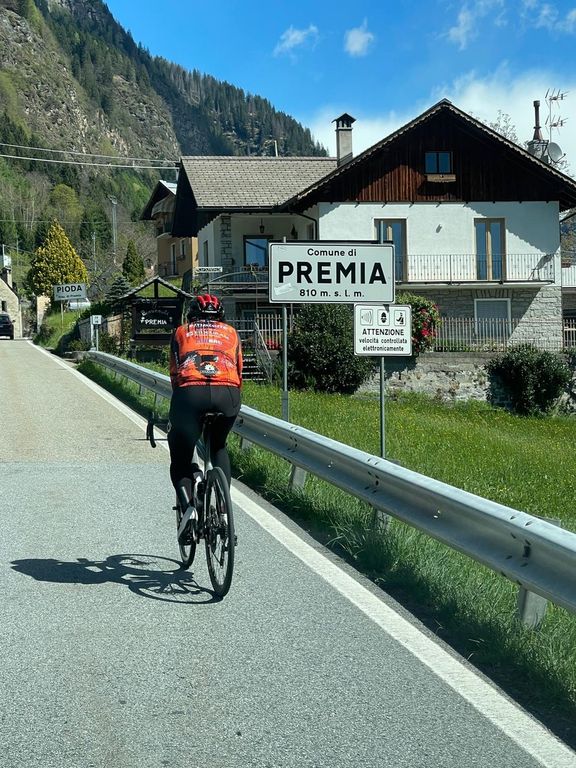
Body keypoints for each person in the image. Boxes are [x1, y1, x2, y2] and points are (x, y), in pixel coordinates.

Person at [168, 294, 242, 521]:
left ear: (192, 315)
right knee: (218, 446)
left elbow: (174, 371)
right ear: (220, 316)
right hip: (227, 394)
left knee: (181, 455)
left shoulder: (181, 332)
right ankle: (223, 509)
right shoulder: (232, 333)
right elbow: (239, 371)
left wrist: (179, 406)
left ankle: (189, 508)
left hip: (190, 393)